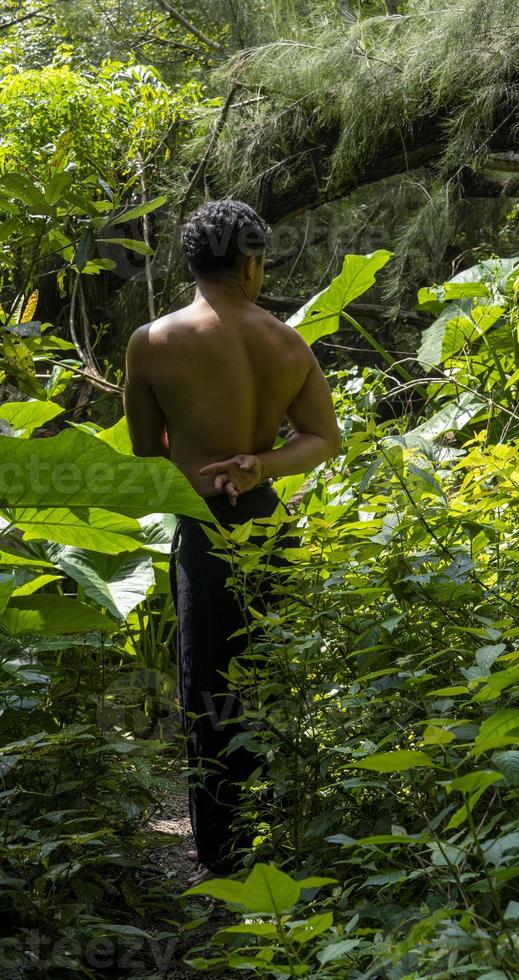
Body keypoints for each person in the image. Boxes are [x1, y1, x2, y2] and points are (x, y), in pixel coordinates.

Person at [122, 199, 341, 885]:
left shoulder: (152, 342)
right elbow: (322, 440)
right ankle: (281, 827)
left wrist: (202, 467)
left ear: (191, 263)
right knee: (268, 671)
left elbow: (144, 454)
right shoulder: (286, 342)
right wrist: (258, 464)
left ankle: (220, 852)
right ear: (251, 262)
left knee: (207, 682)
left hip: (202, 525)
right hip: (267, 519)